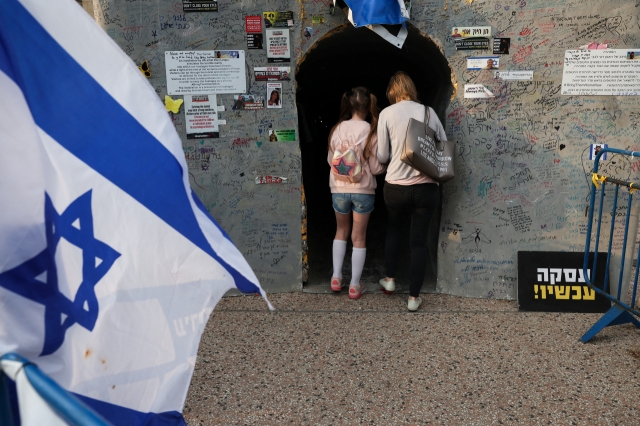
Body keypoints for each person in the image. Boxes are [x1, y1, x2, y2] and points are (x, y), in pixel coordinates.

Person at [377, 71, 446, 311]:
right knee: (418, 242)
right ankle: (414, 298)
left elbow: (382, 156)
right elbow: (442, 145)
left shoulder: (386, 113)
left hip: (396, 187)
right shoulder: (428, 112)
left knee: (394, 230)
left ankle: (390, 281)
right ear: (412, 89)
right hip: (427, 188)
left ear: (392, 92)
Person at [328, 87, 386, 299]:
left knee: (340, 231)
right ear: (369, 105)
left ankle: (336, 278)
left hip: (339, 189)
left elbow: (330, 161)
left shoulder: (336, 129)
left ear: (350, 105)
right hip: (363, 190)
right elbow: (377, 168)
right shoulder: (371, 130)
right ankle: (354, 285)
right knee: (358, 237)